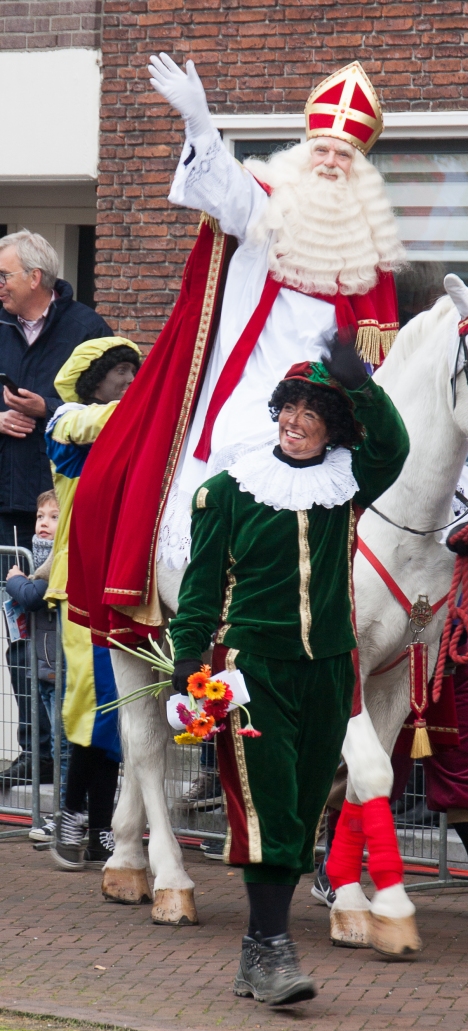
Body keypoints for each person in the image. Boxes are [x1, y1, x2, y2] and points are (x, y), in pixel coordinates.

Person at [67, 56, 403, 656]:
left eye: (344, 156)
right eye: (322, 150)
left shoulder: (366, 259)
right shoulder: (266, 209)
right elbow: (225, 186)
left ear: (362, 171)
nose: (331, 164)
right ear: (304, 153)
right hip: (248, 397)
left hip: (327, 412)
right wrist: (200, 124)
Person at [168, 340, 409, 1007]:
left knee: (302, 813)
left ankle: (257, 952)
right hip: (251, 674)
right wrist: (189, 667)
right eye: (290, 409)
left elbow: (393, 448)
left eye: (313, 412)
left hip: (330, 672)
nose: (297, 422)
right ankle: (271, 949)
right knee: (265, 808)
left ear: (333, 426)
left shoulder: (344, 484)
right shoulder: (227, 492)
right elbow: (199, 592)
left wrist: (361, 384)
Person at [0, 230, 112, 787]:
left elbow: (109, 400)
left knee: (70, 634)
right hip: (8, 499)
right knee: (21, 629)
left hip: (63, 510)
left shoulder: (86, 328)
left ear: (35, 279)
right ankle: (32, 749)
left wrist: (47, 409)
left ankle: (73, 756)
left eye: (5, 275)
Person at [44, 337, 141, 870]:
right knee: (95, 705)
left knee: (121, 708)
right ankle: (82, 818)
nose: (129, 380)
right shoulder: (65, 421)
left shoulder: (126, 425)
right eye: (119, 371)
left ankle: (95, 820)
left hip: (124, 584)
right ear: (92, 378)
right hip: (78, 586)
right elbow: (93, 424)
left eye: (134, 371)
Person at [2, 490, 61, 806]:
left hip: (58, 660)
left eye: (53, 517)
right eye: (40, 517)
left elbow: (37, 593)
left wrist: (16, 582)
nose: (43, 523)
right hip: (42, 660)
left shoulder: (60, 554)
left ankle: (67, 811)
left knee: (64, 743)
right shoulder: (34, 552)